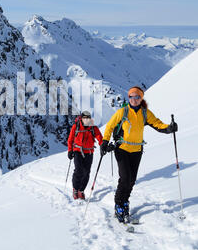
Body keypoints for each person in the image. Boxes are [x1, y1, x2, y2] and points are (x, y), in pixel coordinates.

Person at [100, 86, 178, 223]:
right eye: (131, 96)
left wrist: (169, 128)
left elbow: (157, 124)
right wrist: (105, 141)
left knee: (131, 180)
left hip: (137, 150)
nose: (134, 99)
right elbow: (110, 126)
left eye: (137, 97)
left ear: (141, 98)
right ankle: (119, 204)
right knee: (125, 178)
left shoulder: (145, 113)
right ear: (128, 98)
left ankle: (125, 202)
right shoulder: (122, 112)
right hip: (122, 148)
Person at [68, 111, 103, 200]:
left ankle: (81, 190)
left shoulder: (93, 128)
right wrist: (70, 150)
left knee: (86, 172)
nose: (86, 120)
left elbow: (99, 137)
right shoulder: (76, 126)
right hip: (77, 151)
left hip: (89, 152)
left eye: (88, 118)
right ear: (81, 118)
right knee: (78, 170)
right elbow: (70, 139)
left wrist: (103, 145)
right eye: (84, 118)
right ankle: (75, 189)